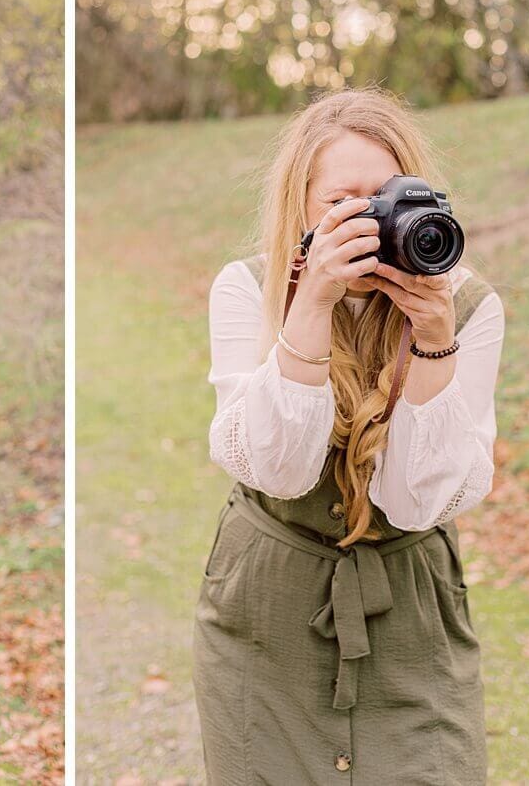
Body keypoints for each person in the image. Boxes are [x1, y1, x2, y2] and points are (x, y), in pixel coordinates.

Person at [192, 88, 504, 785]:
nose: (369, 219)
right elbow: (277, 470)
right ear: (301, 207)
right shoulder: (250, 290)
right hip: (264, 612)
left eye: (387, 197)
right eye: (343, 202)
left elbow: (418, 502)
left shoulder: (470, 306)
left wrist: (431, 342)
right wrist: (314, 304)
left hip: (413, 612)